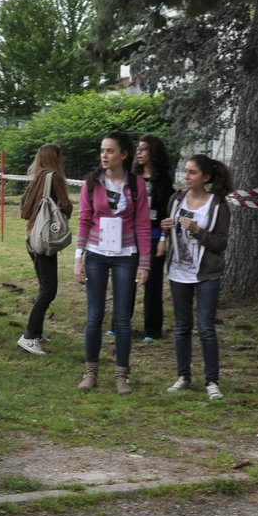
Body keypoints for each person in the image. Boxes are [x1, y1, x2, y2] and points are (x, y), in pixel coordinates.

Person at [74, 130, 152, 393]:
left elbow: (142, 225)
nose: (104, 156)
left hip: (125, 256)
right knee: (94, 316)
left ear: (124, 155)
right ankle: (90, 372)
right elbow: (84, 220)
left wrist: (144, 263)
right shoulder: (92, 183)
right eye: (102, 151)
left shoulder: (137, 185)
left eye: (110, 151)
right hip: (96, 254)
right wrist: (78, 258)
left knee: (122, 318)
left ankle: (122, 375)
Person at [161, 154, 232, 400]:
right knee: (181, 327)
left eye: (192, 172)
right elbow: (168, 231)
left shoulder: (217, 205)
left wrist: (197, 230)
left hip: (206, 274)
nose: (186, 176)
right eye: (185, 171)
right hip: (178, 271)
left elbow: (220, 243)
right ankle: (183, 376)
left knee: (206, 328)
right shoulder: (176, 199)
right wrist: (165, 230)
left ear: (206, 177)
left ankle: (212, 381)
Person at [17, 143, 73, 355]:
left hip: (31, 238)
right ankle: (29, 335)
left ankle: (37, 332)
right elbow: (67, 206)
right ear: (55, 158)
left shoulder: (36, 179)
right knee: (49, 289)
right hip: (44, 241)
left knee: (44, 287)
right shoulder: (54, 178)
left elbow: (23, 209)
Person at [135, 133, 176, 343]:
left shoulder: (164, 181)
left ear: (153, 152)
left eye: (143, 149)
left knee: (152, 284)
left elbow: (166, 213)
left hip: (153, 237)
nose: (139, 153)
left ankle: (152, 329)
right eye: (138, 149)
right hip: (130, 238)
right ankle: (119, 323)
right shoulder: (132, 177)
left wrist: (163, 239)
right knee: (125, 282)